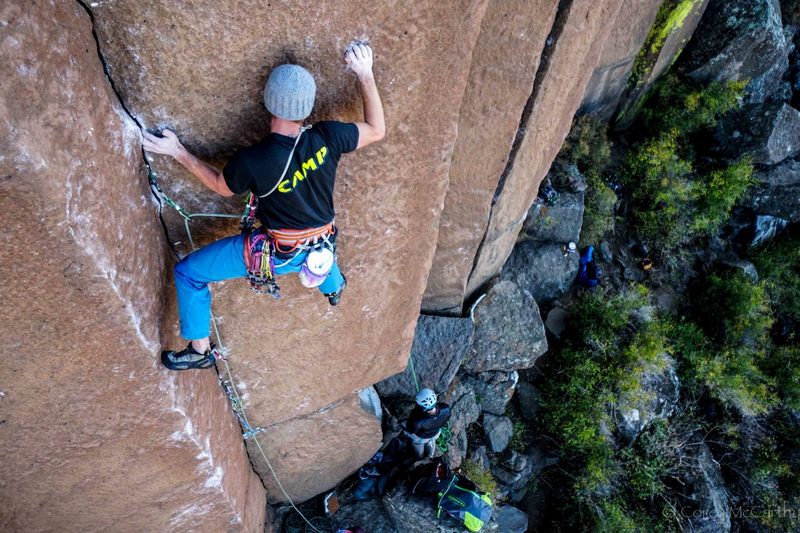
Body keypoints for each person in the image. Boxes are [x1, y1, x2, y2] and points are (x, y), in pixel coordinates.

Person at [142, 42, 385, 371]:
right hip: (320, 244)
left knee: (189, 274)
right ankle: (333, 286)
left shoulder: (253, 160)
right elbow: (376, 130)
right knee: (319, 257)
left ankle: (200, 351)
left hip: (276, 252)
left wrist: (178, 152)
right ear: (306, 106)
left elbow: (219, 186)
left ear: (269, 102)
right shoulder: (328, 136)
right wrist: (365, 73)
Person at [405, 388, 452, 459]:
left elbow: (411, 430)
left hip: (422, 437)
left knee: (417, 444)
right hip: (436, 433)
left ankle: (419, 456)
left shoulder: (418, 420)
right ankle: (430, 454)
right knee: (431, 440)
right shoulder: (446, 409)